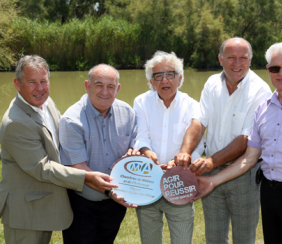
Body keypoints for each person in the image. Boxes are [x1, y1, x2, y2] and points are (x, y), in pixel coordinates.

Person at [191, 40, 282, 244]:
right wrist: (213, 180)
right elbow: (249, 158)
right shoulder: (263, 109)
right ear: (268, 70)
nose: (281, 73)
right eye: (275, 68)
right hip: (269, 194)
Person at [0, 55, 117, 244]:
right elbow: (42, 168)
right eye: (32, 82)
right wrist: (86, 176)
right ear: (17, 83)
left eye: (44, 81)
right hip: (24, 212)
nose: (39, 88)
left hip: (43, 204)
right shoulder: (16, 123)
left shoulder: (46, 103)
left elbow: (62, 138)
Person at [172, 37, 272, 244]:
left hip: (244, 174)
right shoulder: (211, 83)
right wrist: (185, 151)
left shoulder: (261, 91)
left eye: (243, 58)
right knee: (214, 238)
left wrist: (210, 162)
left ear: (251, 60)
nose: (237, 63)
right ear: (220, 59)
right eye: (231, 57)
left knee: (244, 238)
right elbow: (199, 122)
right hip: (211, 171)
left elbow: (246, 139)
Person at [59, 64, 138, 244]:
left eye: (111, 86)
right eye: (99, 85)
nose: (105, 91)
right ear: (87, 86)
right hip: (82, 204)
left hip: (115, 205)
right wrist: (111, 192)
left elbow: (135, 146)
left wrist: (134, 153)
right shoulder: (71, 120)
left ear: (117, 89)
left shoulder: (127, 113)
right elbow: (79, 169)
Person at [133, 51, 204, 244]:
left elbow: (198, 142)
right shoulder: (141, 102)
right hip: (148, 182)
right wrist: (146, 152)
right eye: (158, 76)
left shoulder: (193, 105)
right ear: (151, 82)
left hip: (179, 183)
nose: (165, 80)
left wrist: (184, 160)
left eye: (170, 74)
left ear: (180, 79)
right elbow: (140, 136)